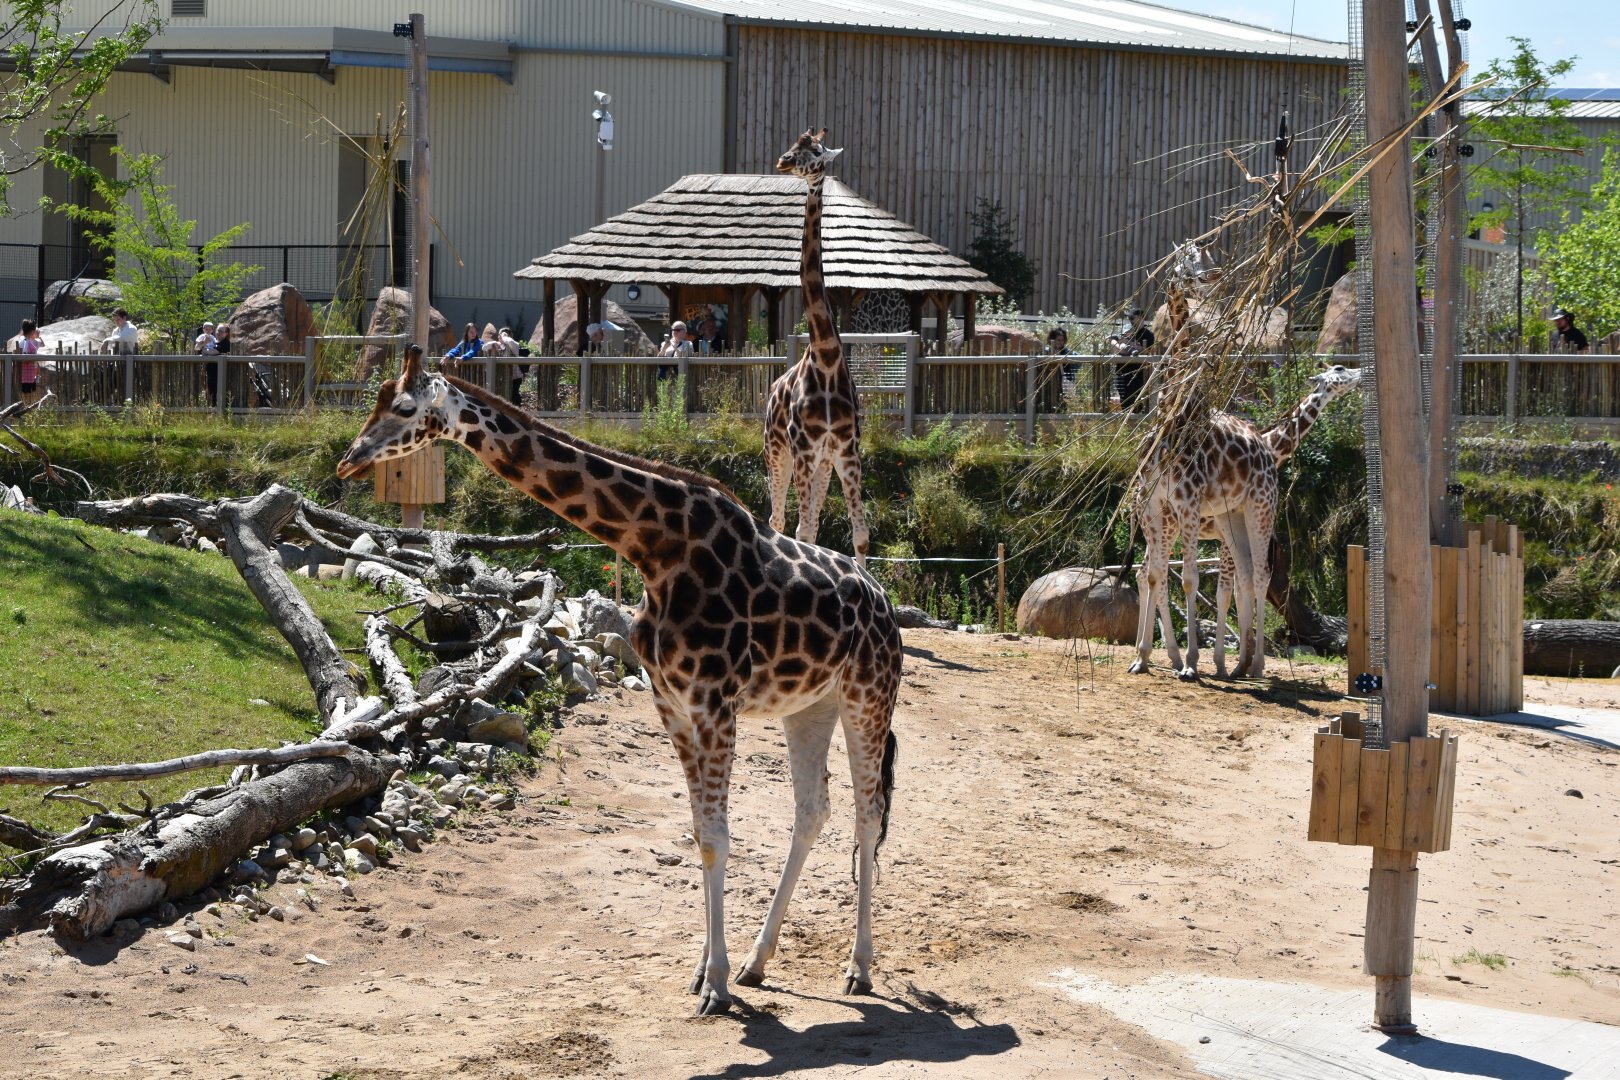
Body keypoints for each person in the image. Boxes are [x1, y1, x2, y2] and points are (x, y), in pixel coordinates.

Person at [1107, 307, 1154, 410]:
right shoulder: (1125, 331)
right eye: (1129, 318)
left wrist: (1128, 343)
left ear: (1141, 318)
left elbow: (1145, 350)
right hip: (1122, 372)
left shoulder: (1148, 335)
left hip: (1139, 373)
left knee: (1137, 402)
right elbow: (1116, 346)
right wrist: (1120, 345)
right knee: (1124, 401)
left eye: (1132, 318)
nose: (1130, 321)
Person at [12, 318, 41, 403]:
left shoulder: (23, 340)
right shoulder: (25, 341)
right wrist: (34, 359)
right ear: (32, 331)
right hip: (26, 376)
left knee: (27, 398)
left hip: (27, 375)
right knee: (27, 399)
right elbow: (24, 357)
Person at [196, 321, 220, 404]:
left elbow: (216, 347)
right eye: (206, 329)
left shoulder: (213, 338)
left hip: (212, 360)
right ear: (203, 329)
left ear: (212, 330)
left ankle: (212, 399)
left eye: (210, 329)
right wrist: (204, 342)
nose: (208, 330)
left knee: (211, 380)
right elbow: (197, 348)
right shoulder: (201, 337)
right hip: (203, 358)